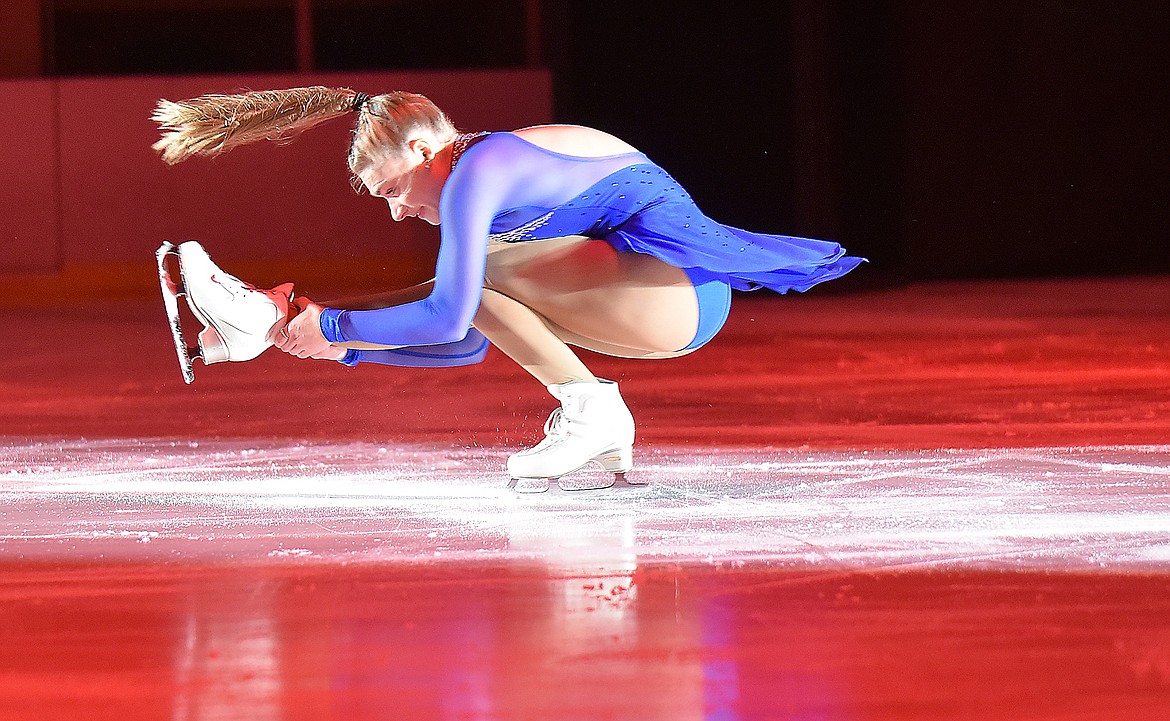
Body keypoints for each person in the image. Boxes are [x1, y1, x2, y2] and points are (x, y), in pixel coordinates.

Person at [152, 86, 864, 484]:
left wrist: (338, 329)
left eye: (394, 188)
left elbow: (450, 312)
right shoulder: (476, 177)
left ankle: (593, 411)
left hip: (680, 293)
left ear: (426, 150)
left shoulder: (478, 174)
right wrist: (325, 340)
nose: (399, 209)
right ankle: (264, 322)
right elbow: (465, 338)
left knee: (469, 276)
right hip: (654, 295)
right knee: (465, 280)